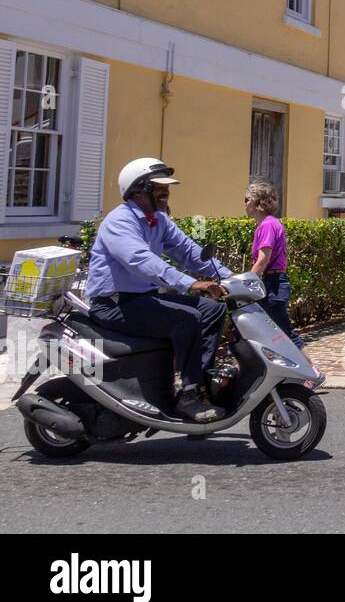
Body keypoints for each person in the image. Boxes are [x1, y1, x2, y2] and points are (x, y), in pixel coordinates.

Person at [85, 158, 232, 422]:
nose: (167, 192)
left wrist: (231, 277)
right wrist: (190, 283)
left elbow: (189, 251)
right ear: (138, 190)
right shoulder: (120, 221)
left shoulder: (158, 220)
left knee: (212, 310)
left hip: (143, 299)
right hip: (115, 304)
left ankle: (201, 385)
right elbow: (142, 261)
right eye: (159, 187)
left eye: (167, 187)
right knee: (186, 320)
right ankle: (188, 398)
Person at [245, 181, 321, 382]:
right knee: (270, 332)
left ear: (257, 202)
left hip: (273, 283)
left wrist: (248, 284)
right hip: (272, 282)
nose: (244, 203)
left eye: (247, 199)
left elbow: (263, 258)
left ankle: (312, 373)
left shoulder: (268, 225)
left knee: (284, 332)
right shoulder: (267, 224)